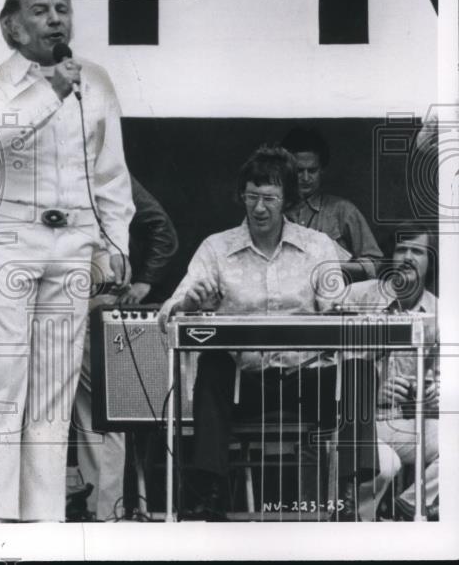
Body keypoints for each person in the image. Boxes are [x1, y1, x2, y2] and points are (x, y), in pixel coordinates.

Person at [0, 0, 135, 522]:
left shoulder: (97, 80)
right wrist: (53, 88)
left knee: (56, 384)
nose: (55, 19)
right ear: (11, 26)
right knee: (5, 375)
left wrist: (115, 244)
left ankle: (43, 514)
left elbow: (110, 174)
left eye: (62, 8)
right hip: (15, 234)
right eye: (39, 10)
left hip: (76, 240)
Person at [157, 145, 377, 521]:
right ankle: (207, 494)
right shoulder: (216, 248)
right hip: (245, 383)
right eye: (252, 197)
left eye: (270, 199)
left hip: (305, 378)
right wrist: (188, 304)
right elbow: (169, 314)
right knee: (213, 367)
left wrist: (340, 307)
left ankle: (348, 491)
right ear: (242, 196)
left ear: (286, 201)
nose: (259, 208)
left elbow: (335, 309)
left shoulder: (316, 247)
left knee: (356, 373)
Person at [72, 176, 179, 521]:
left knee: (101, 408)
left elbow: (161, 228)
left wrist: (146, 279)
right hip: (46, 293)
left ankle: (102, 513)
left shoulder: (105, 171)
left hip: (94, 293)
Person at [338, 227, 439, 520]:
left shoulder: (438, 312)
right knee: (386, 465)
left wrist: (435, 392)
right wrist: (373, 391)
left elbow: (446, 375)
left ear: (430, 261)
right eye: (400, 249)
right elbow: (331, 364)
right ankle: (361, 527)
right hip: (361, 424)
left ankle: (406, 507)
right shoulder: (356, 297)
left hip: (409, 422)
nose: (407, 257)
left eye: (417, 251)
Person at [281, 126, 382, 281]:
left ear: (322, 170)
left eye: (312, 170)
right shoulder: (275, 211)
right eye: (299, 171)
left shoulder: (342, 210)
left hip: (335, 298)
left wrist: (330, 266)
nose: (306, 178)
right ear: (286, 171)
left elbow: (375, 264)